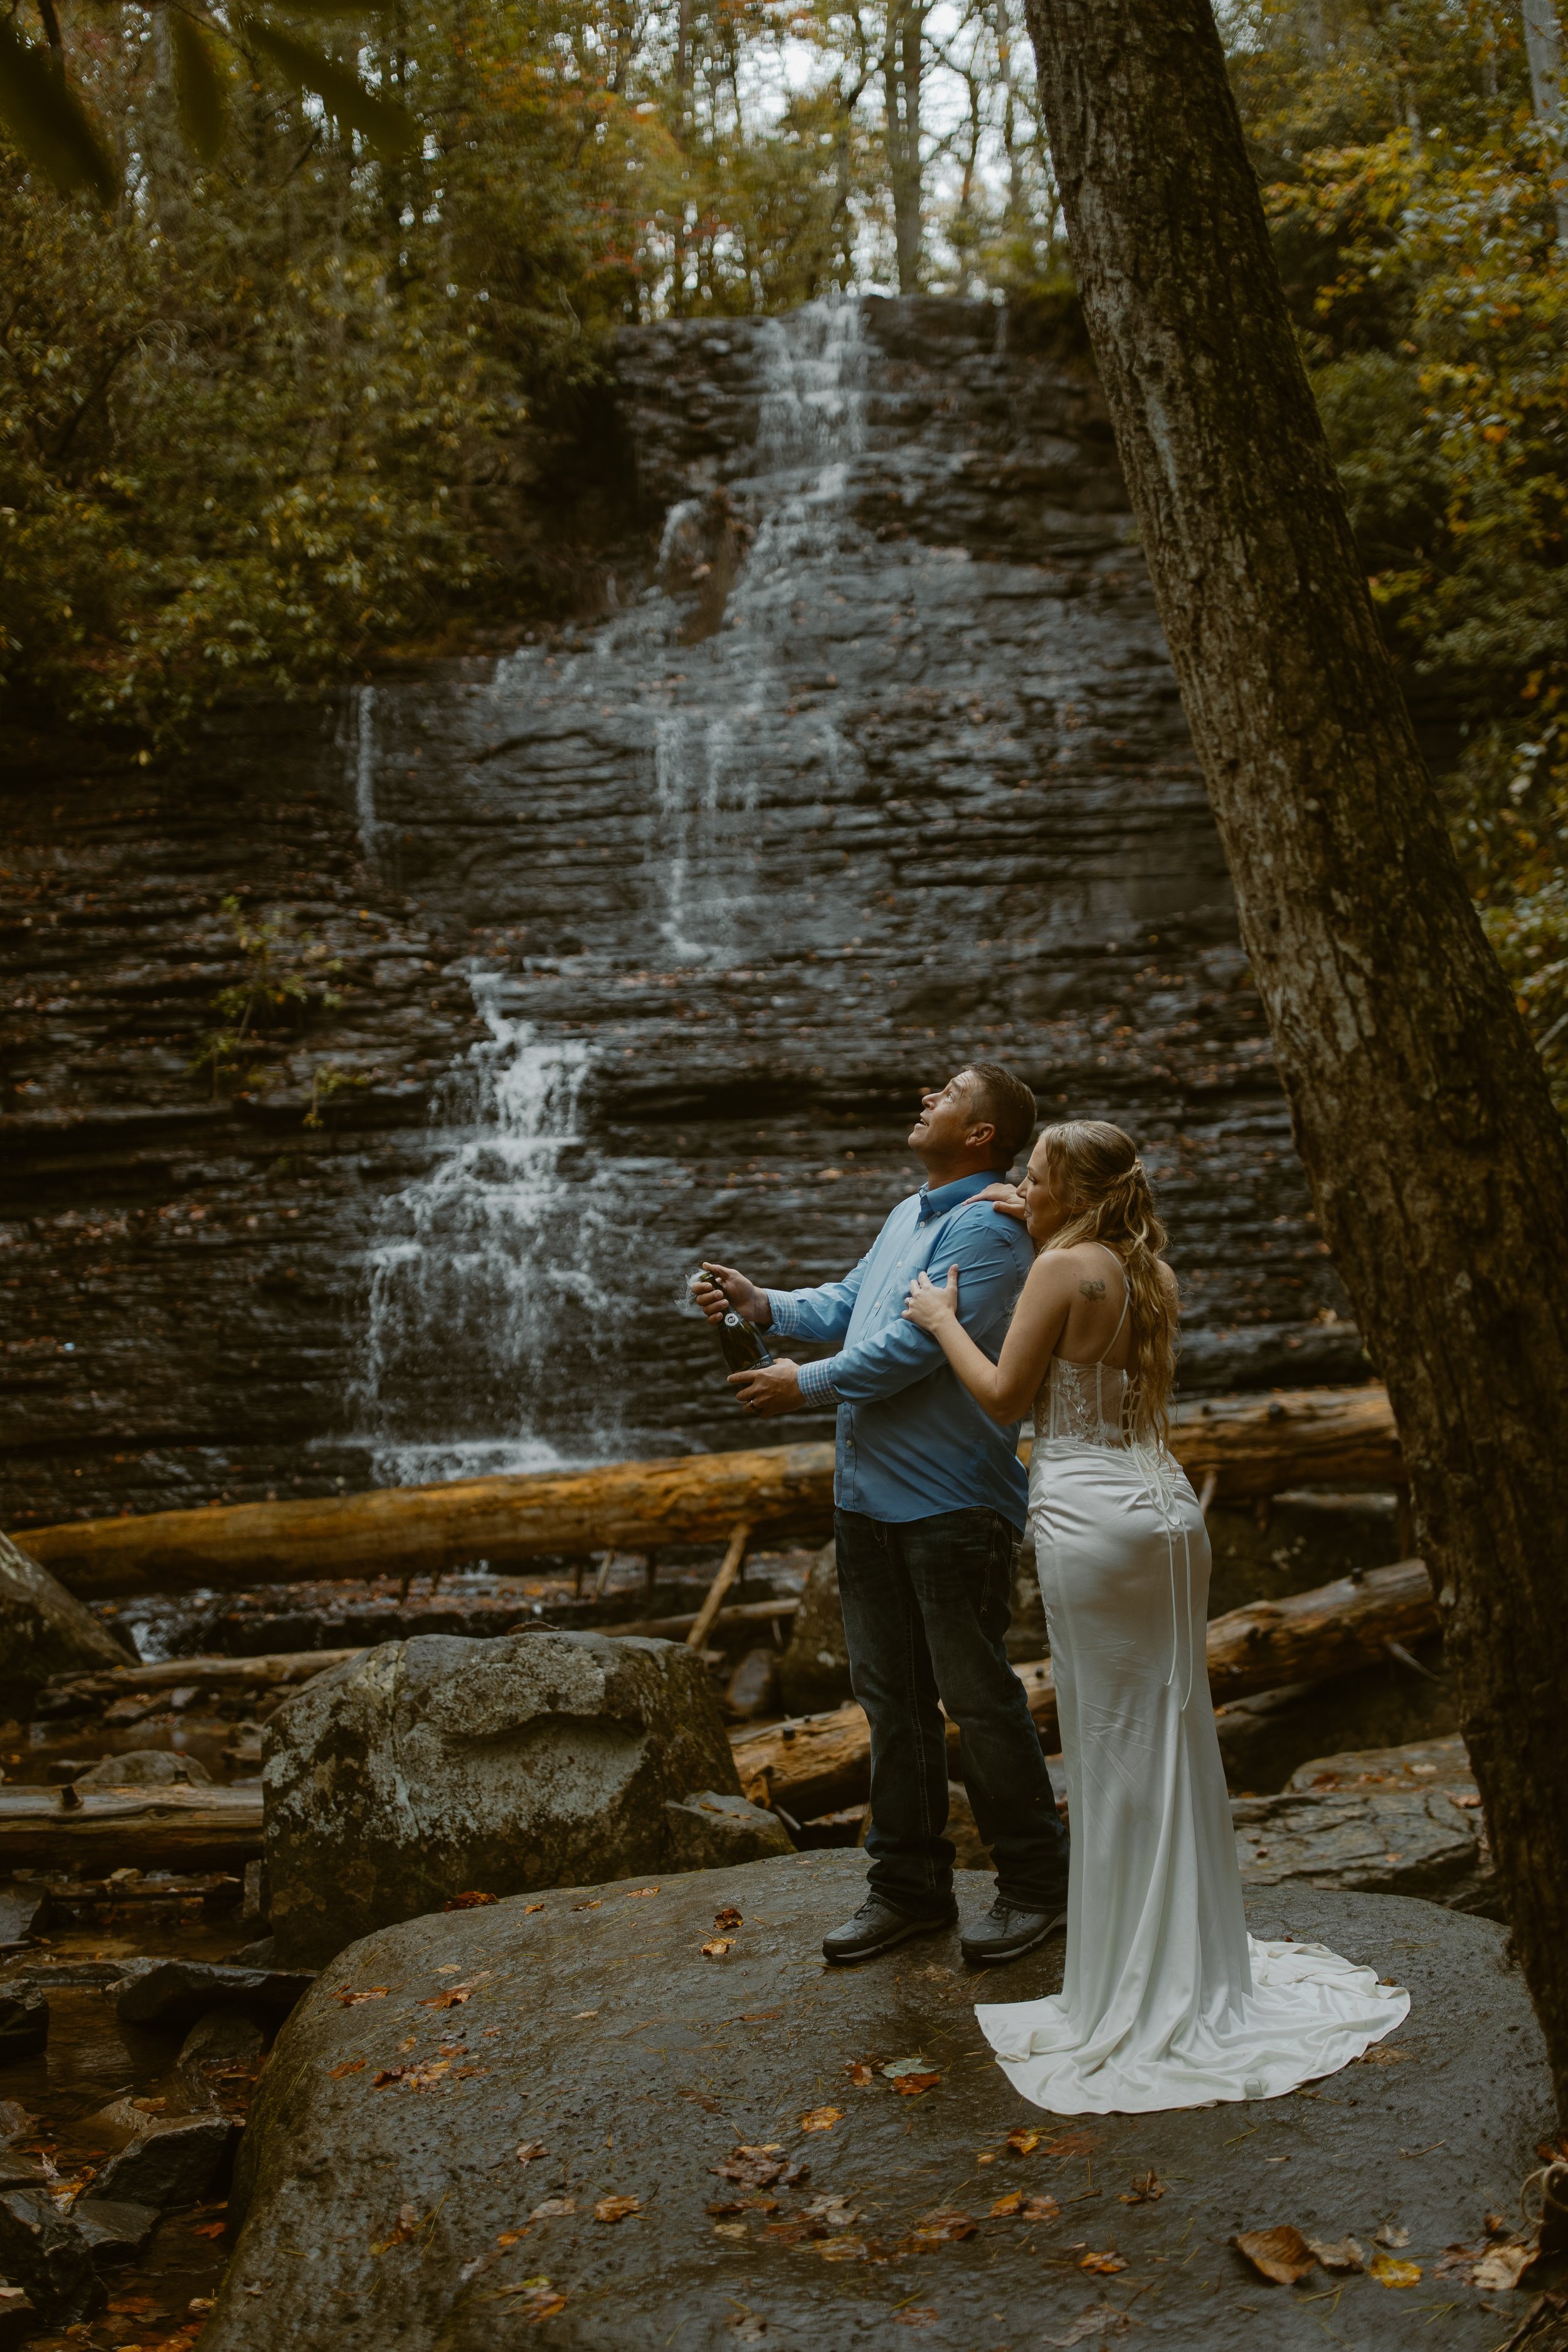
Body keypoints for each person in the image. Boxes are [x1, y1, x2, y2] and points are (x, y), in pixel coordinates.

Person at [901, 1117, 1409, 2112]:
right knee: (1175, 1733)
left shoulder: (1061, 1271)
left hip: (1089, 1513)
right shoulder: (1147, 1271)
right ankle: (1197, 1960)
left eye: (1032, 1179)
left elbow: (1006, 1398)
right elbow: (1082, 1262)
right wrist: (1038, 1210)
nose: (1020, 1190)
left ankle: (1129, 1982)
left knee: (1108, 1742)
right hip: (1169, 1515)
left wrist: (937, 1317)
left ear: (1070, 1193)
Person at [692, 1064, 1071, 1968]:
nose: (926, 1097)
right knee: (890, 1703)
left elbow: (912, 1352)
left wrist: (801, 1382)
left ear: (984, 1133)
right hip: (866, 1497)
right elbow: (854, 1304)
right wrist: (765, 1307)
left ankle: (1037, 1883)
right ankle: (907, 1887)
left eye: (948, 1091)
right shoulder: (911, 1213)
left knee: (977, 1699)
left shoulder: (991, 1230)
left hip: (951, 1499)